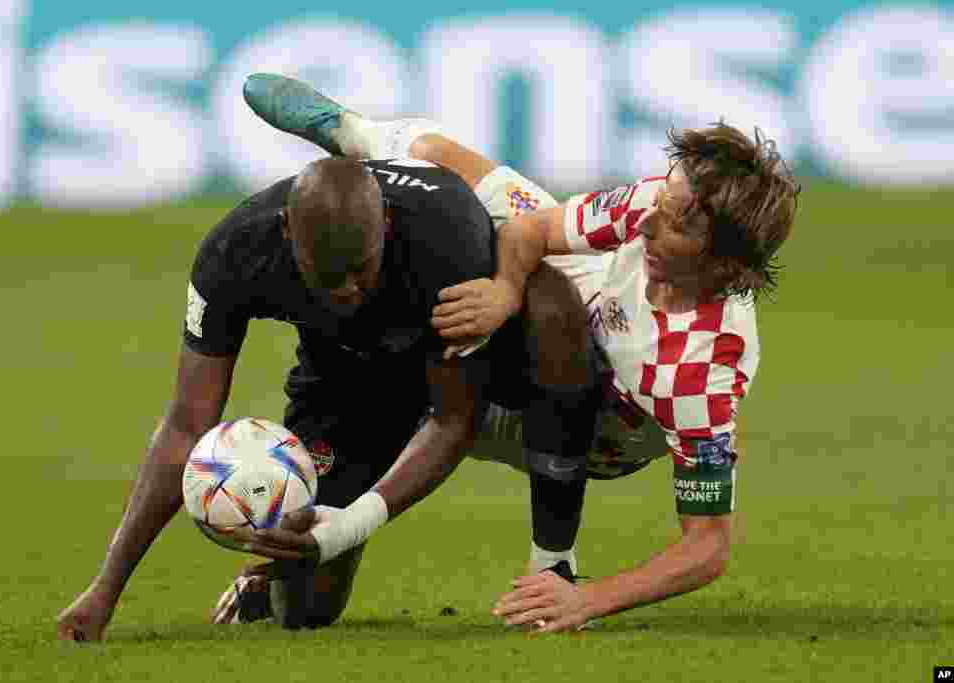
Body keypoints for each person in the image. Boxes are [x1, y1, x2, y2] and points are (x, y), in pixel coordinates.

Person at [239, 73, 800, 632]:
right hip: (578, 288)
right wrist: (505, 291)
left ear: (724, 265)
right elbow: (531, 230)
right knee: (447, 166)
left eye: (674, 224)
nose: (648, 219)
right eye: (663, 201)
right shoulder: (656, 207)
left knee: (412, 402)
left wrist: (591, 600)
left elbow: (707, 548)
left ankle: (543, 555)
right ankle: (362, 136)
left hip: (590, 424)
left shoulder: (697, 374)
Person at [55, 115, 603, 637]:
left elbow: (451, 420)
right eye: (325, 276)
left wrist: (353, 522)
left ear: (385, 225)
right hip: (348, 381)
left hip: (465, 361)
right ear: (286, 232)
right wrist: (105, 588)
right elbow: (185, 425)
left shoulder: (446, 233)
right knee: (305, 608)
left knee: (552, 305)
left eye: (361, 270)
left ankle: (552, 563)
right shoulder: (232, 256)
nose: (346, 291)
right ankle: (266, 577)